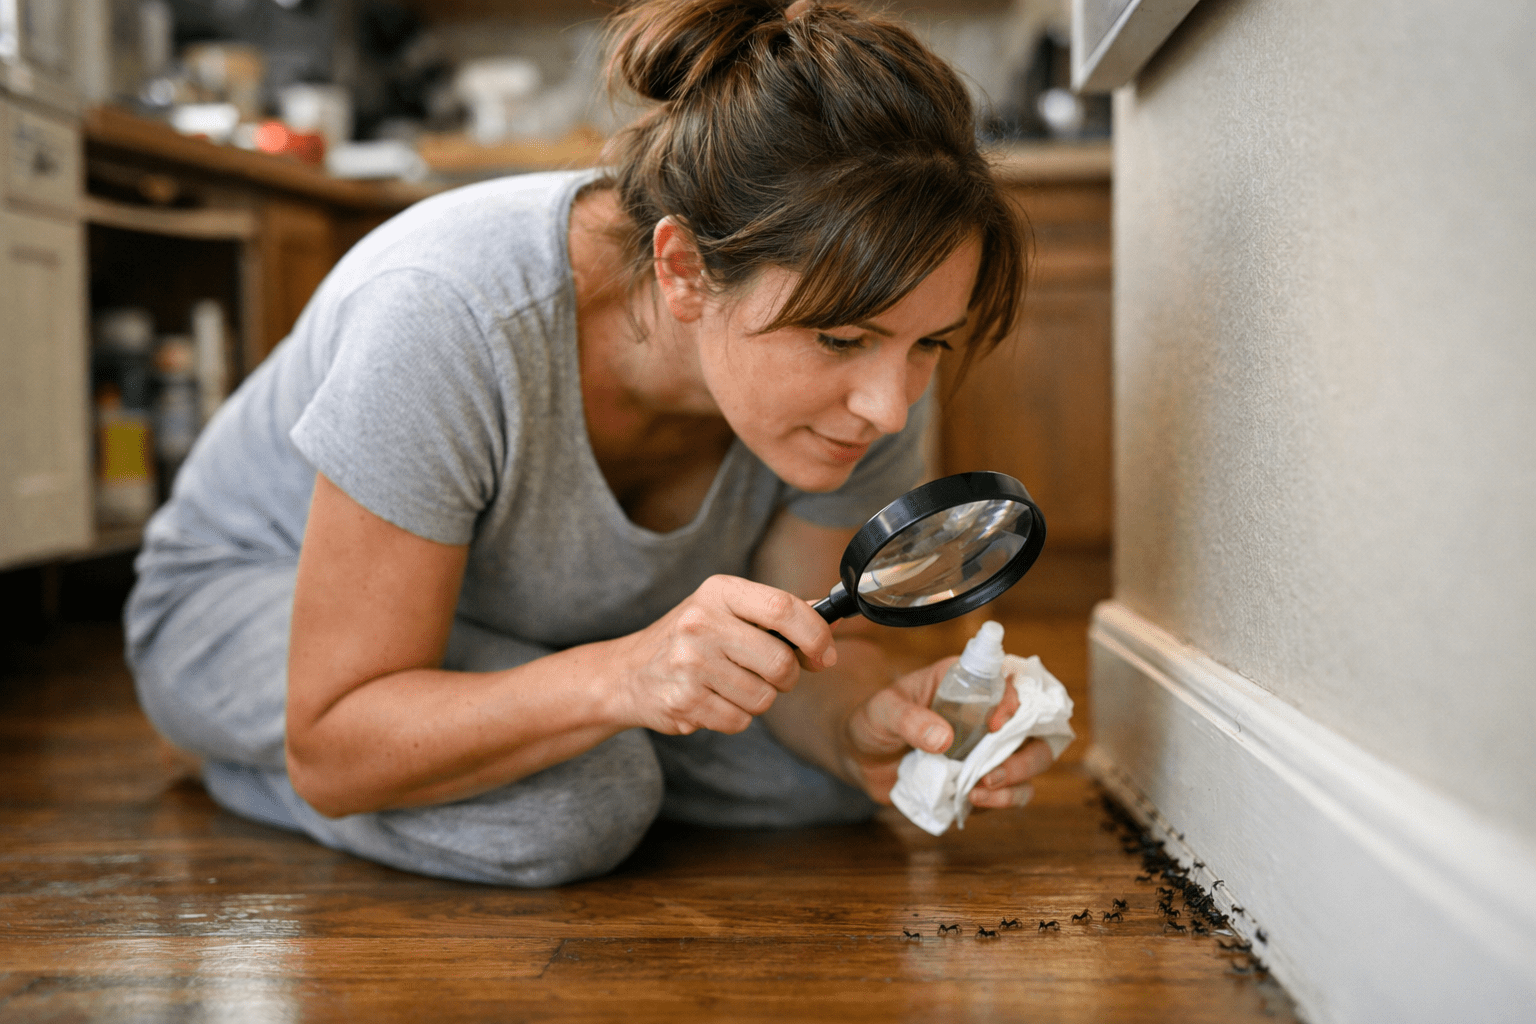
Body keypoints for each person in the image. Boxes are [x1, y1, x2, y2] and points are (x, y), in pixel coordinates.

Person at [125, 0, 1059, 887]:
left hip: (531, 630)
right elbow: (334, 739)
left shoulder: (866, 371)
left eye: (930, 343)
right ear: (683, 269)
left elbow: (808, 634)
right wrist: (621, 676)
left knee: (817, 784)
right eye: (842, 340)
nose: (890, 408)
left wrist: (860, 720)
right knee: (585, 804)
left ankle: (551, 718)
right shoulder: (449, 313)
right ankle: (229, 748)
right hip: (259, 600)